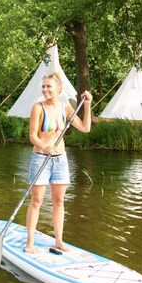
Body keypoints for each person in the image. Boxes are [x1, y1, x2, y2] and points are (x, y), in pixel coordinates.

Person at [25, 73, 92, 253]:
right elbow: (32, 136)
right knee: (37, 201)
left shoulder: (66, 108)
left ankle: (59, 241)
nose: (45, 90)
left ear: (58, 89)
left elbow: (85, 129)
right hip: (40, 158)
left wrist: (87, 105)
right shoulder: (38, 108)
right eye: (44, 86)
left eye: (49, 86)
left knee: (59, 201)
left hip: (60, 160)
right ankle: (30, 242)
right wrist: (44, 146)